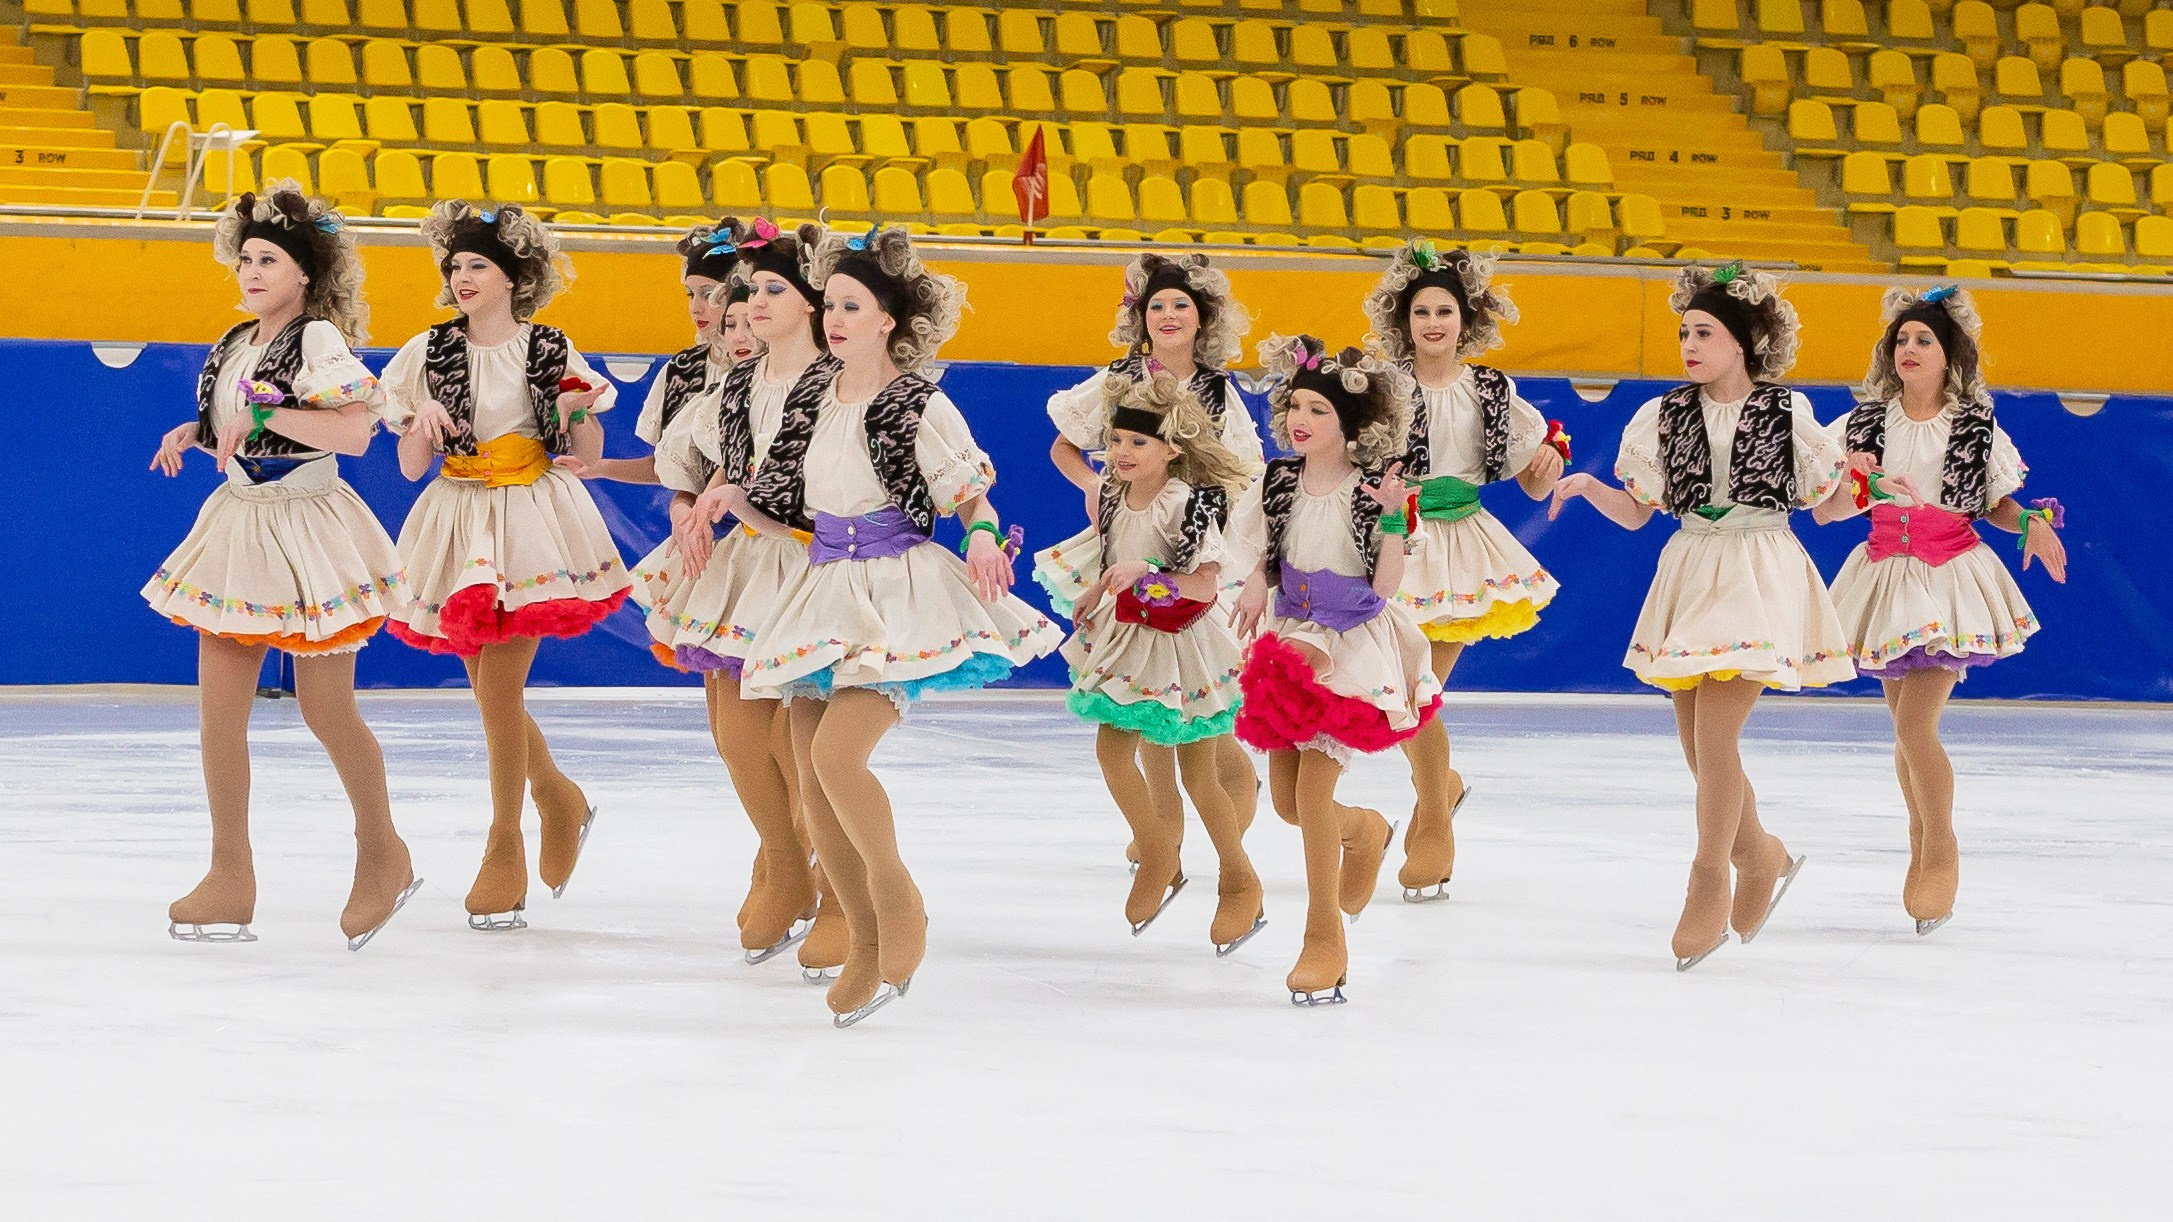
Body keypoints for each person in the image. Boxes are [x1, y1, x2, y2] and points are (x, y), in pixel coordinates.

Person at [724, 224, 1062, 1026]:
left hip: (897, 594)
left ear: (888, 319)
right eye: (829, 305)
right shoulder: (810, 394)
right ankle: (860, 931)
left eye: (851, 306)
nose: (833, 319)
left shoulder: (917, 398)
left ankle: (894, 901)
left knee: (838, 758)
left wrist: (982, 535)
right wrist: (724, 502)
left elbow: (970, 493)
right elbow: (784, 508)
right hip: (823, 587)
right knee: (808, 770)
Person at [1550, 262, 1852, 970]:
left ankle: (1708, 878)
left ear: (1742, 340)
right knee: (1695, 745)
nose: (1687, 343)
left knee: (1714, 741)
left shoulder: (1788, 416)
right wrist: (1591, 484)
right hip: (1690, 566)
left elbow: (1820, 498)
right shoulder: (1659, 416)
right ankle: (1762, 855)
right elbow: (1636, 515)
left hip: (1759, 566)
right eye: (1683, 331)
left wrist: (1871, 488)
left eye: (1704, 332)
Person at [145, 181, 419, 950]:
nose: (252, 271)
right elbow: (235, 422)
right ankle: (229, 876)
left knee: (325, 708)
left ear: (304, 271)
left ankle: (381, 851)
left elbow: (355, 433)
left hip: (307, 530)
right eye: (246, 259)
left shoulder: (319, 340)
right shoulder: (238, 341)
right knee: (217, 716)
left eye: (268, 259)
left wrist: (261, 415)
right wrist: (193, 433)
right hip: (240, 524)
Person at [381, 202, 630, 930]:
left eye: (477, 266)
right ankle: (557, 795)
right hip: (458, 518)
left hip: (528, 521)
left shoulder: (548, 348)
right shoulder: (427, 354)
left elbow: (583, 458)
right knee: (493, 693)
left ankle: (504, 842)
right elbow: (408, 465)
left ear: (514, 275)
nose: (461, 278)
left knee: (497, 693)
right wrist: (421, 426)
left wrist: (580, 413)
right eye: (454, 266)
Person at [1816, 285, 2067, 936]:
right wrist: (1858, 483)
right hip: (1882, 575)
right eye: (1899, 339)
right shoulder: (1862, 424)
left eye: (1922, 338)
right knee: (1902, 727)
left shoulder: (1972, 426)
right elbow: (1825, 510)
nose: (1908, 348)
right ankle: (1919, 835)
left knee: (1913, 729)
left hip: (1947, 576)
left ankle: (1939, 846)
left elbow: (1992, 503)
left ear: (1949, 352)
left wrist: (2031, 524)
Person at [1229, 336, 1440, 1005]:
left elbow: (1381, 586)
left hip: (1350, 643)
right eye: (1294, 404)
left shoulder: (1374, 490)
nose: (1299, 418)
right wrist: (1258, 584)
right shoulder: (1278, 478)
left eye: (1316, 409)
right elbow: (1264, 545)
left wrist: (1388, 518)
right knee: (1291, 806)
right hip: (1290, 636)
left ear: (1350, 426)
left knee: (1312, 795)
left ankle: (1324, 939)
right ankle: (1369, 831)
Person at [1038, 252, 1265, 870]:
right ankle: (1164, 820)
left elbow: (1245, 471)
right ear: (1141, 316)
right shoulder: (1117, 379)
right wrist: (1091, 483)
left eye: (1181, 306)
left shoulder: (1218, 390)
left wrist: (1210, 526)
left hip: (1192, 540)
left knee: (1184, 674)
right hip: (1129, 537)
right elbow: (1065, 442)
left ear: (1202, 320)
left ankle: (1220, 783)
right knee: (1142, 680)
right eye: (1157, 305)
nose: (1167, 315)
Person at [1361, 240, 1566, 901]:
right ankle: (1438, 789)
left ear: (1463, 318)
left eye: (1443, 310)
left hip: (1460, 550)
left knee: (1415, 695)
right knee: (1392, 692)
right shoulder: (1379, 386)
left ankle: (1433, 825)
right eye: (1420, 311)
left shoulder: (1490, 390)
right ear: (1403, 319)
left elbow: (1531, 485)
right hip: (1393, 542)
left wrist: (1543, 471)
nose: (1431, 323)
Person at [1060, 369, 1262, 953]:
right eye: (1117, 440)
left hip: (1184, 648)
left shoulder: (1184, 503)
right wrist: (1099, 589)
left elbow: (1202, 586)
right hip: (1131, 638)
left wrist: (1145, 575)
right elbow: (1119, 557)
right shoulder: (1115, 497)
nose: (1121, 452)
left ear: (1172, 450)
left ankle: (1239, 877)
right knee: (1112, 748)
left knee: (1200, 774)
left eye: (1137, 442)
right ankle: (1157, 853)